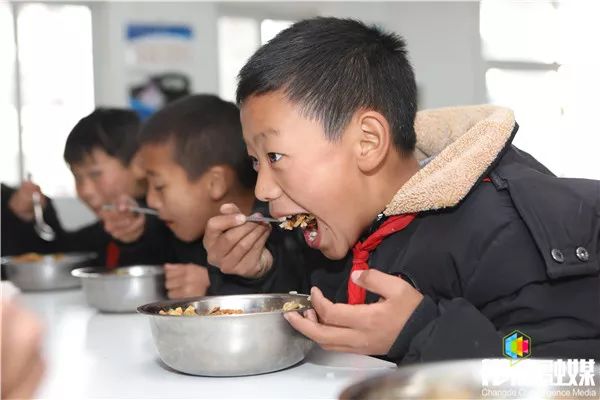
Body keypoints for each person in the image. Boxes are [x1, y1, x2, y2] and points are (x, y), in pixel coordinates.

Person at [204, 17, 600, 363]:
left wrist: (422, 334)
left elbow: (558, 369)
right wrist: (255, 275)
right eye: (255, 160)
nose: (262, 187)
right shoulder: (331, 226)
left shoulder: (507, 232)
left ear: (368, 142)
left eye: (274, 156)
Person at [137, 94, 310, 298]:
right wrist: (131, 239)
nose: (150, 200)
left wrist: (214, 286)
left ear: (215, 182)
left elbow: (296, 289)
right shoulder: (184, 234)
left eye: (159, 186)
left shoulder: (288, 231)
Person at [2, 108, 170, 267]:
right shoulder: (100, 232)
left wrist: (135, 240)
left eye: (95, 174)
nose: (85, 191)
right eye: (77, 177)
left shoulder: (173, 225)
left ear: (139, 164)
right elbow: (61, 256)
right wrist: (26, 216)